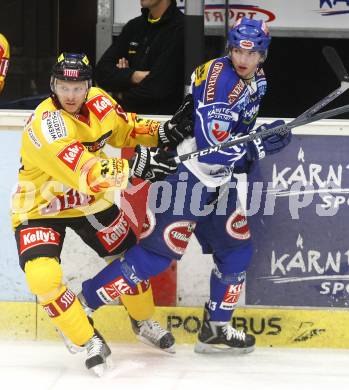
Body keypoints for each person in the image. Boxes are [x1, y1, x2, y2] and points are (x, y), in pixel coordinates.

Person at [78, 17, 292, 353]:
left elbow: (239, 133)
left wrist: (255, 142)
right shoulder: (218, 82)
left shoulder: (258, 81)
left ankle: (216, 328)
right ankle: (83, 304)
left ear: (262, 55)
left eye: (251, 54)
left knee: (236, 251)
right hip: (187, 175)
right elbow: (213, 146)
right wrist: (258, 146)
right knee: (155, 258)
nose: (243, 59)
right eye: (237, 50)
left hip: (217, 182)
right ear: (230, 48)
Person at [11, 52, 192, 375]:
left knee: (129, 255)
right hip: (40, 205)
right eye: (64, 87)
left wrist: (163, 132)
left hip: (86, 201)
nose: (71, 95)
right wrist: (138, 165)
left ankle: (142, 320)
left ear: (88, 86)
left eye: (78, 87)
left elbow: (128, 129)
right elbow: (86, 171)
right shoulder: (45, 124)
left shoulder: (100, 102)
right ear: (53, 85)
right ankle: (86, 338)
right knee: (42, 277)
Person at [95, 0, 184, 114]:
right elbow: (101, 72)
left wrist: (120, 92)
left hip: (162, 123)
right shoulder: (134, 26)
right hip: (126, 120)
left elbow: (157, 89)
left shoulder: (180, 28)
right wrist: (134, 76)